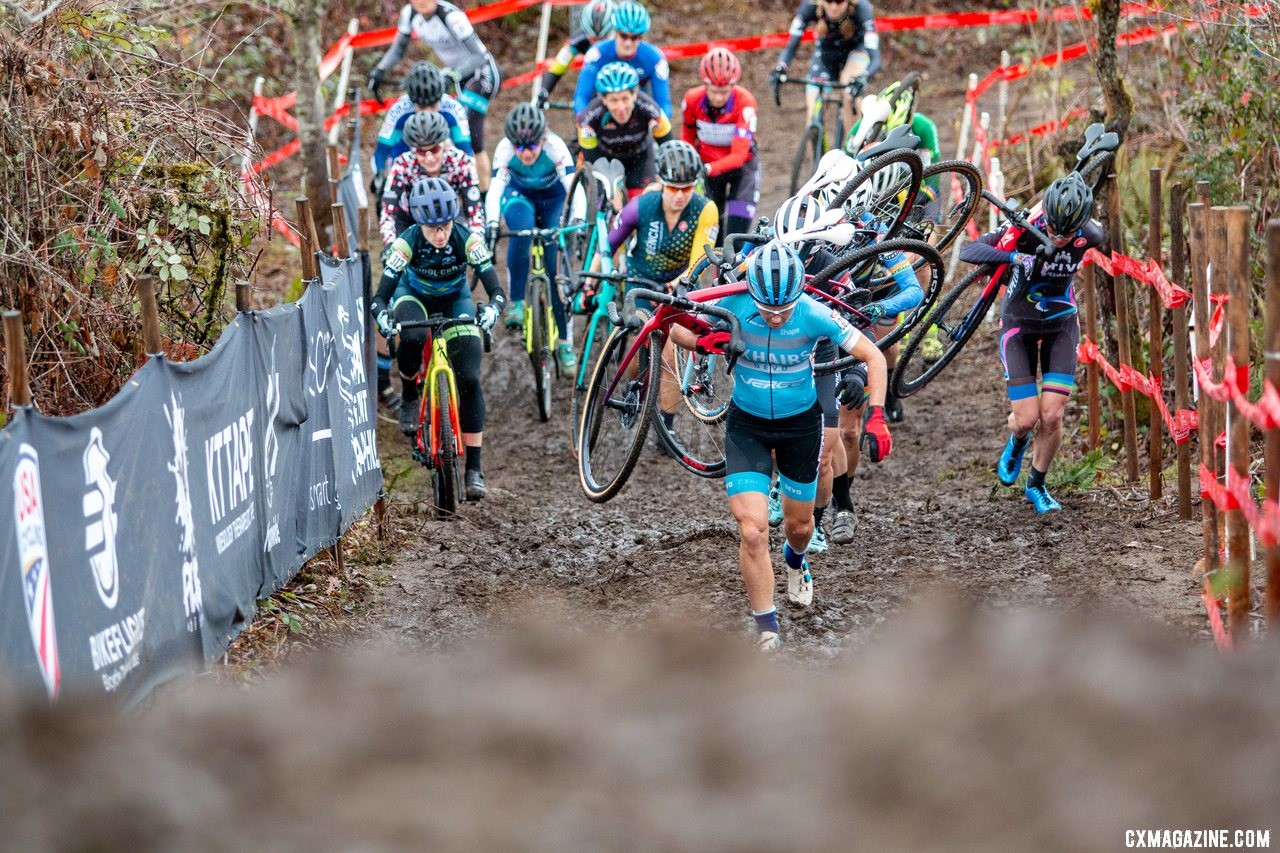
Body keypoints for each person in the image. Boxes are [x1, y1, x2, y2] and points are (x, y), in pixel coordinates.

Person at [710, 240, 891, 651]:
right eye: (766, 309)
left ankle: (795, 559)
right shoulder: (733, 305)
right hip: (747, 426)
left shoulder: (813, 313)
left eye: (784, 309)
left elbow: (873, 356)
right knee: (753, 530)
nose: (775, 317)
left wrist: (876, 415)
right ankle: (767, 628)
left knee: (800, 527)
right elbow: (682, 325)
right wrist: (683, 330)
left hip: (800, 428)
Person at [958, 172, 1103, 513]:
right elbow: (970, 250)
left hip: (1061, 325)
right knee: (1026, 418)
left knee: (1052, 416)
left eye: (1068, 233)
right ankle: (1018, 440)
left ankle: (1036, 484)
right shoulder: (1026, 227)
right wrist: (1013, 258)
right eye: (1053, 229)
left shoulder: (1092, 234)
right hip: (1018, 326)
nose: (1058, 237)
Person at [371, 176, 507, 500]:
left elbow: (497, 291)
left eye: (445, 224)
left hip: (455, 300)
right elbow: (379, 299)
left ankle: (474, 468)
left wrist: (492, 311)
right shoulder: (406, 243)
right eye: (432, 228)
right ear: (419, 223)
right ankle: (408, 394)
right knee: (413, 335)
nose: (441, 233)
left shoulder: (467, 239)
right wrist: (385, 318)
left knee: (470, 378)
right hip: (413, 296)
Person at [367, 0, 502, 189]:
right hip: (456, 75)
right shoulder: (410, 14)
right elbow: (398, 49)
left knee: (471, 134)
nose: (421, 2)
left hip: (482, 73)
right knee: (439, 126)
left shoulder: (452, 17)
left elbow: (479, 56)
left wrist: (453, 74)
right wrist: (380, 70)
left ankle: (481, 194)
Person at [485, 103, 579, 373]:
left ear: (543, 138)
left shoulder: (555, 147)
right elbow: (494, 191)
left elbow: (574, 188)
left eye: (531, 147)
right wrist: (492, 224)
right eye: (519, 147)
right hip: (520, 198)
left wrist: (576, 223)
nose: (525, 153)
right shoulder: (504, 149)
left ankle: (564, 342)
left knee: (555, 268)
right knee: (521, 230)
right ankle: (516, 302)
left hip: (554, 201)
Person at [681, 47, 761, 244]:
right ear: (705, 85)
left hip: (742, 170)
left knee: (734, 241)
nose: (718, 98)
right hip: (708, 171)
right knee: (714, 238)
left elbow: (739, 156)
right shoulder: (692, 99)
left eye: (724, 91)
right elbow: (688, 138)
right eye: (714, 91)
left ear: (733, 86)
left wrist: (706, 168)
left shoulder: (745, 102)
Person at [769, 0, 879, 135]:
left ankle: (853, 148)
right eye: (828, 0)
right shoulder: (810, 6)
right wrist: (780, 67)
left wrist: (864, 76)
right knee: (813, 108)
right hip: (826, 55)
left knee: (850, 91)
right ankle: (816, 150)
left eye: (839, 1)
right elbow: (791, 45)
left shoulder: (862, 8)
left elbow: (875, 58)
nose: (833, 6)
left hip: (856, 51)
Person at [379, 110, 484, 248]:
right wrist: (390, 245)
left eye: (434, 150)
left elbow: (475, 211)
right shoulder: (402, 165)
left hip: (448, 220)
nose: (429, 158)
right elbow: (388, 214)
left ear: (443, 144)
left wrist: (477, 242)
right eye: (421, 152)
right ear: (413, 149)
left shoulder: (461, 162)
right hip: (410, 223)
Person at [577, 61, 672, 197]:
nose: (621, 108)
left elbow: (668, 148)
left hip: (640, 157)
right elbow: (590, 160)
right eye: (614, 100)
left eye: (625, 99)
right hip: (605, 158)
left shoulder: (651, 109)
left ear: (634, 94)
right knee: (606, 198)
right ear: (603, 99)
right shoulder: (589, 117)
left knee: (642, 202)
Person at [372, 60, 474, 186]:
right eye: (421, 106)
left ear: (440, 98)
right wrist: (380, 178)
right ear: (412, 101)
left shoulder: (454, 109)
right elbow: (381, 152)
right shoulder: (399, 110)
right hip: (405, 164)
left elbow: (467, 153)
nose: (427, 111)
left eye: (432, 105)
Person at [573, 0, 671, 120]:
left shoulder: (656, 59)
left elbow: (663, 102)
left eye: (634, 38)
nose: (628, 43)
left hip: (638, 106)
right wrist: (582, 121)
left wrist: (662, 127)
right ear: (616, 32)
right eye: (623, 36)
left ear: (641, 37)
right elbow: (582, 96)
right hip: (605, 106)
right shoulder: (596, 54)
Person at [535, 0, 615, 110]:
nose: (597, 44)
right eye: (593, 38)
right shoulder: (580, 38)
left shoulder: (622, 41)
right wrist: (544, 91)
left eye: (602, 39)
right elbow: (558, 67)